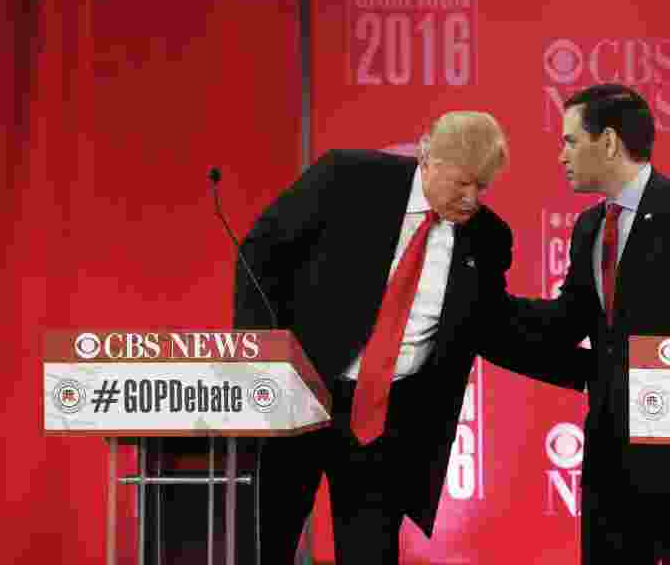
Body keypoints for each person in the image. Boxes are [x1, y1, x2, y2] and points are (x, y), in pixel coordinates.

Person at [233, 111, 583, 564]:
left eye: (482, 187)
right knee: (263, 543)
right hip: (299, 398)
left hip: (386, 424)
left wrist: (592, 368)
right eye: (461, 183)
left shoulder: (488, 238)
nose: (472, 199)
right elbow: (260, 253)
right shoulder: (347, 179)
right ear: (427, 157)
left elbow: (492, 327)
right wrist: (262, 358)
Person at [508, 83, 670, 564]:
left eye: (570, 141)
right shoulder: (589, 227)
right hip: (609, 459)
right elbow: (567, 322)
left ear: (608, 142)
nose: (562, 155)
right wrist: (485, 310)